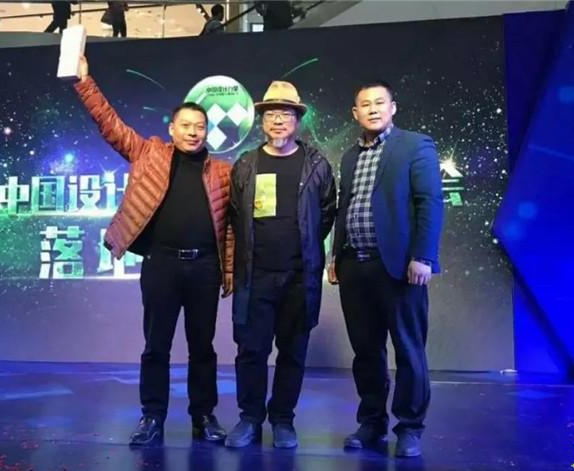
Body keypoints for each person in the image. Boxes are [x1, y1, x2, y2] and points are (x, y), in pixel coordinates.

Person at [72, 55, 234, 447]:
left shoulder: (223, 171)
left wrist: (229, 270)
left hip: (205, 268)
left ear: (207, 131)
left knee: (203, 348)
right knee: (156, 346)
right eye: (186, 125)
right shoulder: (149, 153)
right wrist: (84, 81)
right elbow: (109, 125)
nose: (193, 132)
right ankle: (152, 417)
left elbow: (231, 227)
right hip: (161, 265)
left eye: (200, 127)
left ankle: (204, 416)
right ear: (172, 128)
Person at [328, 80, 443, 457]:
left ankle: (409, 427)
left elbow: (429, 202)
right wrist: (334, 256)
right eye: (366, 104)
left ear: (393, 108)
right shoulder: (349, 156)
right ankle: (372, 422)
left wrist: (423, 256)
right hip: (354, 267)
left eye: (380, 102)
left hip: (400, 267)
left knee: (409, 350)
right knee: (366, 351)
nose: (373, 109)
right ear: (355, 113)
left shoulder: (415, 145)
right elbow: (345, 208)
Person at [224, 81, 336, 449]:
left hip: (299, 278)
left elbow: (327, 213)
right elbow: (235, 214)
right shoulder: (246, 164)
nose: (277, 120)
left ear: (297, 120)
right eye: (271, 114)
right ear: (262, 121)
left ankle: (283, 420)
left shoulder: (316, 164)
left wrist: (304, 247)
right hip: (255, 277)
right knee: (251, 351)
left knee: (293, 352)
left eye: (285, 114)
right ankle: (250, 419)